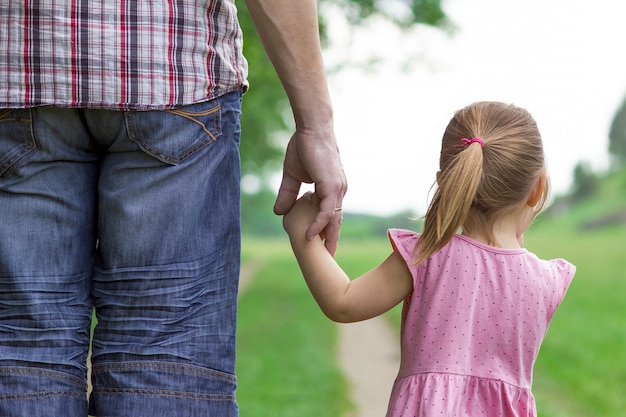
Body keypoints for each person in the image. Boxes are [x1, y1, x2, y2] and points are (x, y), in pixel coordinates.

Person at [0, 1, 345, 416]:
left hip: (19, 73)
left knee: (19, 352)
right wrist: (315, 127)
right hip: (171, 70)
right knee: (166, 359)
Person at [283, 101, 575, 416]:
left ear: (446, 183)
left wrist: (303, 233)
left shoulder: (429, 255)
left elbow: (343, 301)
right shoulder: (546, 279)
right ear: (537, 189)